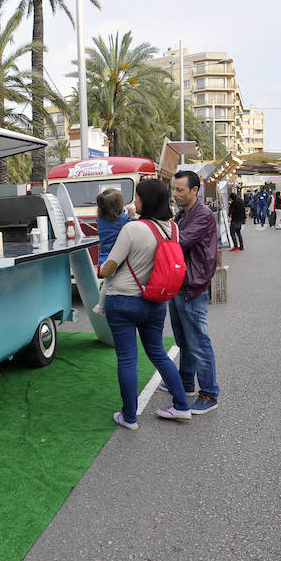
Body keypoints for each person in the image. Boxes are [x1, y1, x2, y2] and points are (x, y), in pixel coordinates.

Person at [99, 179, 192, 428]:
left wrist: (100, 268)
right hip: (155, 300)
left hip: (123, 302)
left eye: (137, 197)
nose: (134, 202)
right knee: (159, 354)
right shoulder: (173, 229)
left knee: (127, 359)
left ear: (147, 200)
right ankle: (182, 405)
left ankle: (129, 417)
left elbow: (110, 267)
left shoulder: (132, 229)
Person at [165, 170, 220, 414]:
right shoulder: (183, 213)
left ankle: (209, 395)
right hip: (180, 284)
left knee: (198, 342)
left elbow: (178, 243)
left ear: (195, 190)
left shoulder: (203, 215)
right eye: (173, 189)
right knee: (184, 341)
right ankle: (185, 383)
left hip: (192, 286)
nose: (175, 194)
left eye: (180, 190)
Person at [93, 188, 132, 315]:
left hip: (104, 257)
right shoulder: (124, 219)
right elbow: (134, 225)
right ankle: (101, 307)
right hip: (116, 258)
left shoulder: (100, 220)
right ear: (117, 207)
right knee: (111, 284)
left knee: (107, 284)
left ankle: (101, 305)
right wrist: (131, 215)